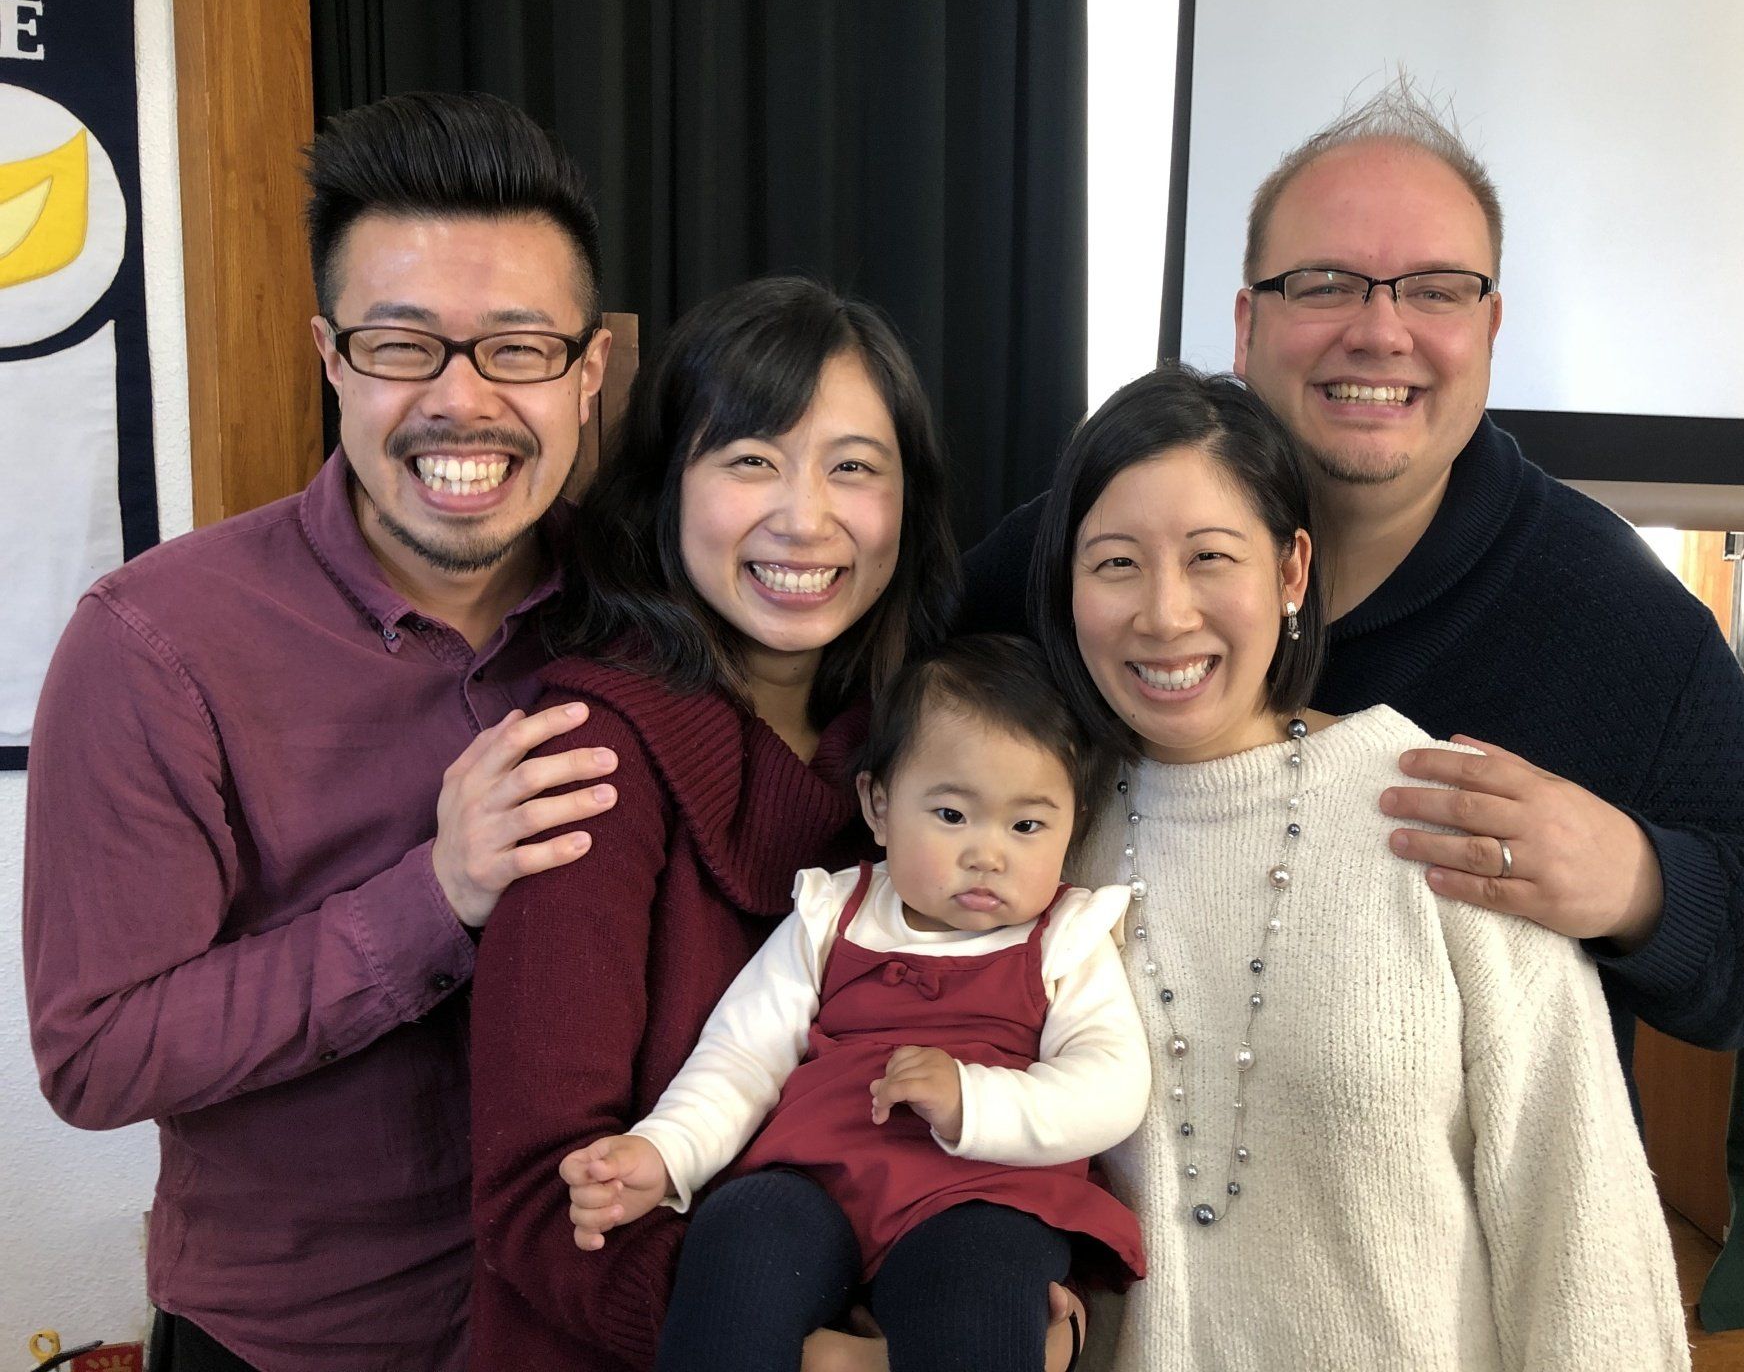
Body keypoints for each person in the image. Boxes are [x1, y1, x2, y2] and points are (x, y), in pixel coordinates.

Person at [965, 82, 1744, 1076]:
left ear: (1488, 329)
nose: (1381, 331)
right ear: (1245, 325)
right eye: (1325, 282)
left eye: (1435, 289)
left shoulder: (1613, 611)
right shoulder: (1073, 559)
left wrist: (1636, 882)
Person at [23, 91, 620, 1371]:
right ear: (330, 358)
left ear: (589, 374)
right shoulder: (155, 644)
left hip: (599, 1326)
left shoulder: (650, 616)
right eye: (404, 345)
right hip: (295, 1348)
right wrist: (436, 896)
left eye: (518, 347)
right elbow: (98, 1054)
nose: (462, 402)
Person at [1031, 366, 1689, 1371]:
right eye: (1115, 563)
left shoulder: (1446, 808)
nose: (1164, 614)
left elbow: (1577, 1217)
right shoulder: (1036, 840)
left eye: (1211, 558)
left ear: (1291, 571)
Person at [469, 275, 965, 1369]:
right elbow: (534, 1196)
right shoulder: (592, 753)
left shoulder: (926, 767)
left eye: (854, 467)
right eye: (750, 460)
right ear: (665, 491)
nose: (806, 516)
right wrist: (799, 1350)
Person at [560, 635, 1149, 1371]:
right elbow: (742, 1055)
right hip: (815, 1184)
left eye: (1027, 825)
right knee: (740, 1236)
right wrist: (665, 1151)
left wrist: (973, 1099)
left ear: (1074, 822)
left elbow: (1112, 1085)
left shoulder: (1065, 937)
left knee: (978, 1294)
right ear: (877, 805)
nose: (987, 854)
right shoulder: (832, 913)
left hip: (983, 1194)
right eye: (951, 815)